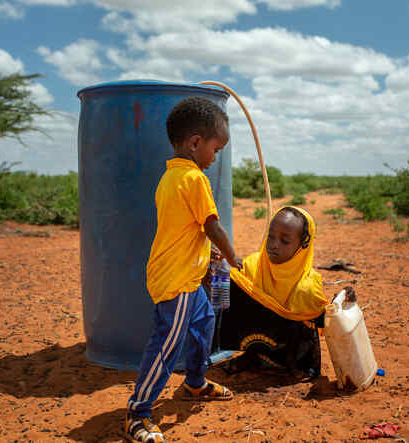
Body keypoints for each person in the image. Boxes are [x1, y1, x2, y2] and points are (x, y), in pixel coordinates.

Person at [125, 96, 242, 443]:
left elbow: (188, 231)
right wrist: (232, 256)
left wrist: (208, 259)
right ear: (195, 143)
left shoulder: (171, 177)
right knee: (166, 345)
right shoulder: (193, 179)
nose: (216, 157)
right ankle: (138, 413)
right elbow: (212, 226)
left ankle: (194, 382)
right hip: (176, 283)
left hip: (188, 278)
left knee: (203, 327)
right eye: (216, 149)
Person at [214, 206, 328, 378]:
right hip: (254, 340)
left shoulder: (308, 285)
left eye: (285, 241)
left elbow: (323, 322)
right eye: (271, 237)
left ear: (303, 244)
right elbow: (221, 298)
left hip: (292, 353)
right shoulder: (254, 265)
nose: (274, 245)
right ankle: (253, 355)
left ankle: (288, 363)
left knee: (305, 306)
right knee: (235, 284)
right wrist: (216, 271)